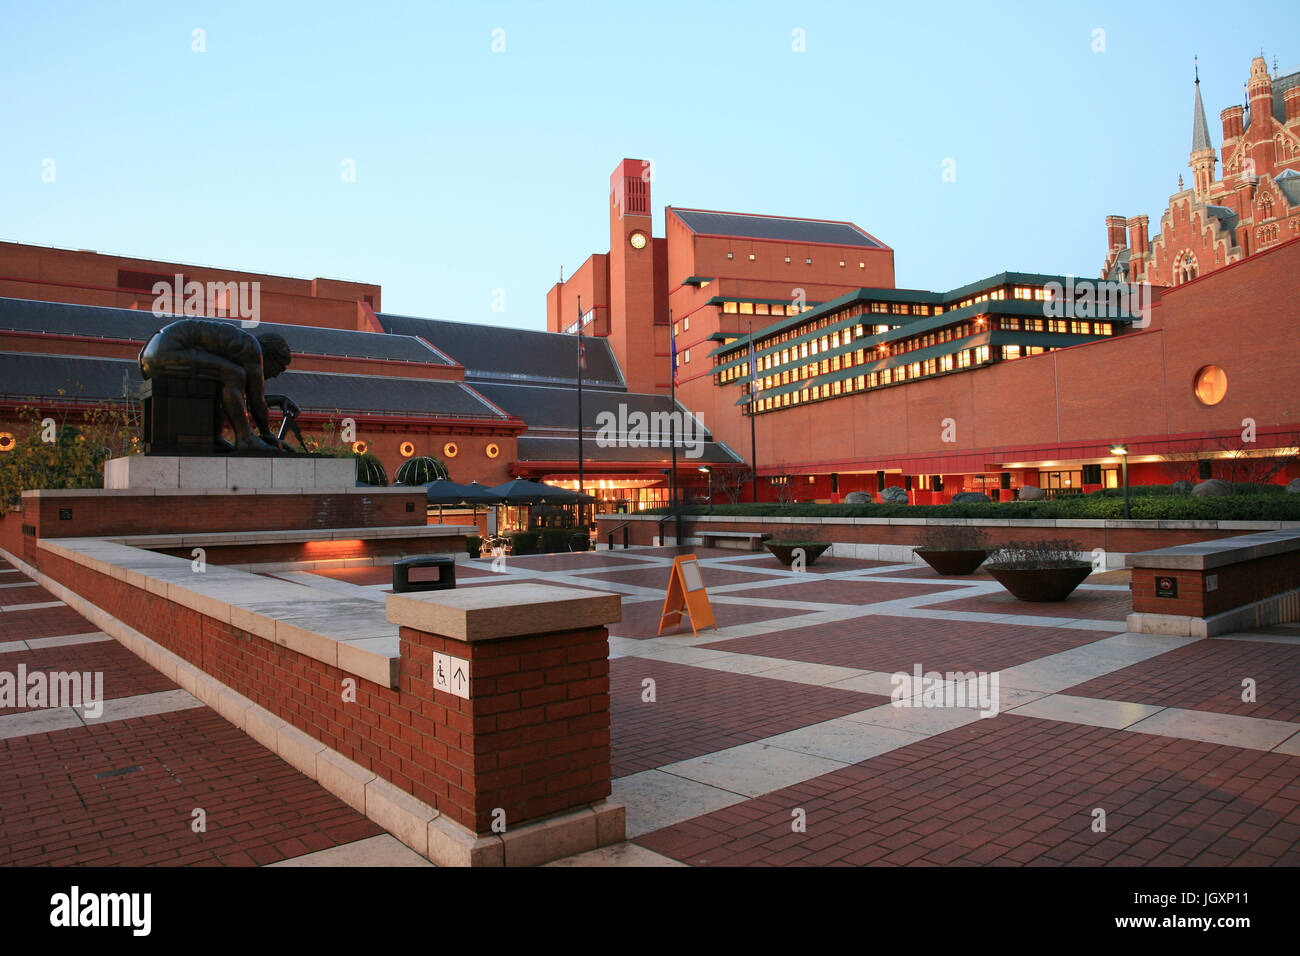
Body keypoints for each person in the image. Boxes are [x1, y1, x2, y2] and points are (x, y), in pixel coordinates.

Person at [139, 319, 294, 453]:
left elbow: (238, 398)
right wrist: (267, 433)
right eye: (278, 369)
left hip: (150, 355)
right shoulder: (253, 348)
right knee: (234, 374)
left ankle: (213, 438)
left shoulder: (239, 345)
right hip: (165, 352)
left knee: (224, 380)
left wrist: (278, 401)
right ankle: (245, 438)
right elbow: (256, 400)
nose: (274, 375)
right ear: (272, 357)